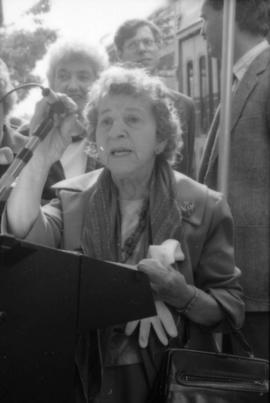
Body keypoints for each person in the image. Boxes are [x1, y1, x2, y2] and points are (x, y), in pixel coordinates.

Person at [2, 65, 244, 402]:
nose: (116, 131)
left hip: (169, 382)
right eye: (105, 121)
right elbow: (24, 235)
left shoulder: (204, 205)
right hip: (85, 379)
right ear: (96, 142)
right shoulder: (72, 198)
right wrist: (40, 155)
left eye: (132, 119)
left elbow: (229, 310)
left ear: (161, 137)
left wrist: (179, 293)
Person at [198, 0, 270, 359]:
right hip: (238, 287)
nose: (201, 31)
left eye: (204, 19)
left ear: (228, 14)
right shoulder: (240, 80)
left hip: (260, 288)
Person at [26, 38, 109, 201]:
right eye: (63, 76)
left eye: (83, 77)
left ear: (98, 84)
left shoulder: (110, 138)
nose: (72, 86)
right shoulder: (27, 136)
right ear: (51, 83)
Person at [114, 18, 196, 178]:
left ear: (158, 47)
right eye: (133, 44)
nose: (142, 49)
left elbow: (189, 170)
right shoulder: (108, 106)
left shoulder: (185, 106)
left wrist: (188, 204)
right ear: (119, 55)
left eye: (148, 42)